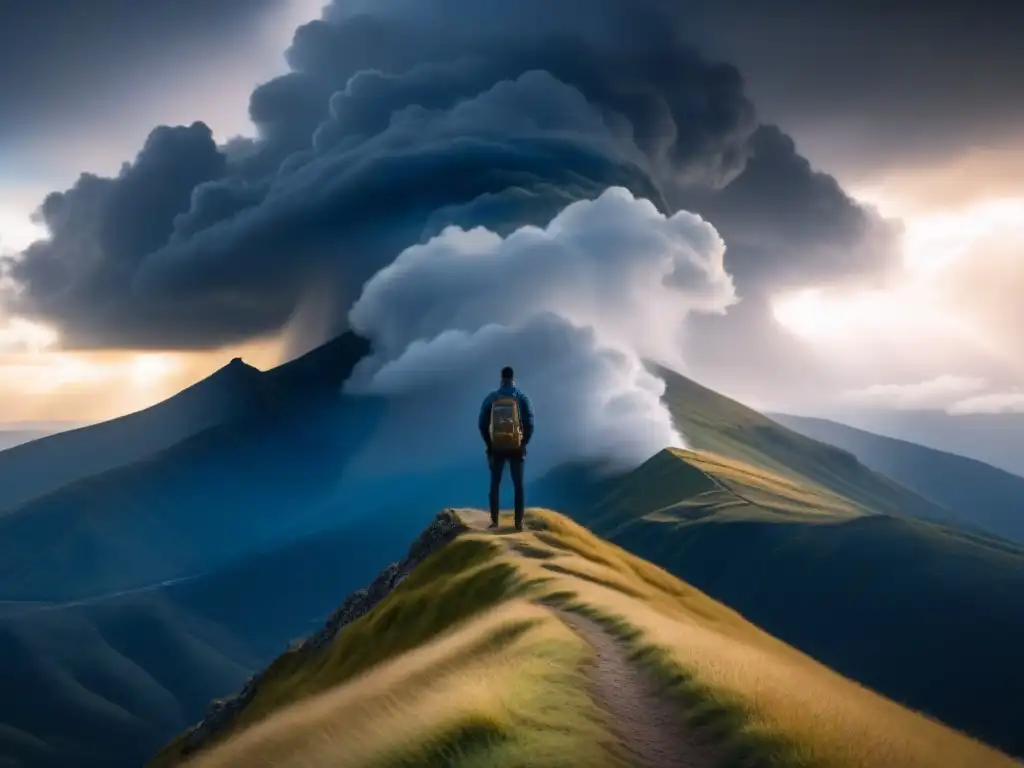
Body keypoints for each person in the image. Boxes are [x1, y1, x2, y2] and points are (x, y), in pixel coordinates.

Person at [478, 366, 535, 531]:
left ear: (501, 378)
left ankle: (495, 521)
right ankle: (518, 523)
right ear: (513, 378)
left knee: (495, 484)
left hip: (496, 448)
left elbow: (481, 423)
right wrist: (522, 443)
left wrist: (490, 444)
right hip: (516, 448)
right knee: (518, 485)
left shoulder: (492, 398)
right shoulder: (522, 398)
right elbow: (530, 424)